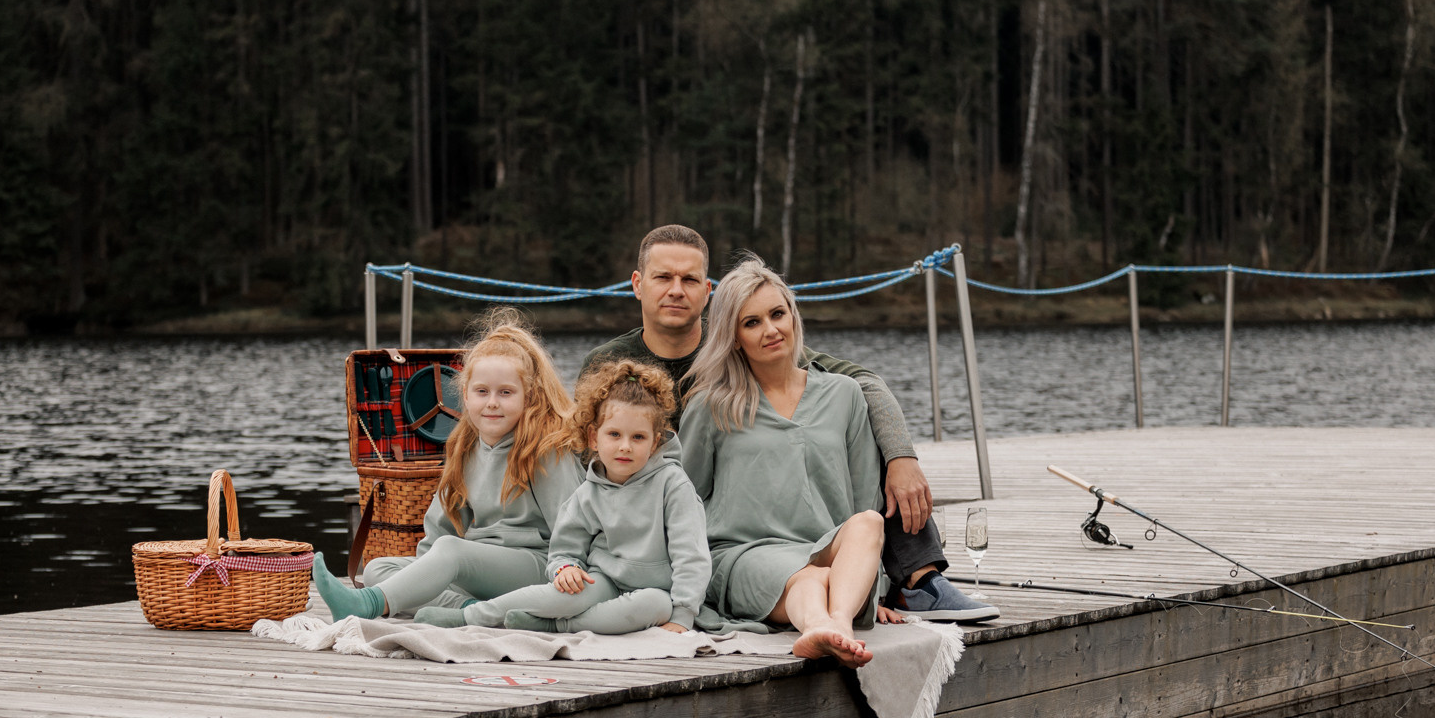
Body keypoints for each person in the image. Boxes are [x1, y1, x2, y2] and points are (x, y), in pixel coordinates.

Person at [583, 225, 993, 620]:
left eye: (689, 279)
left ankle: (917, 579)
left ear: (708, 292)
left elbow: (862, 381)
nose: (676, 290)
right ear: (638, 284)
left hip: (784, 497)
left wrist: (902, 454)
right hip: (673, 502)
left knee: (859, 424)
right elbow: (587, 450)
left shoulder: (748, 333)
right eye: (663, 278)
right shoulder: (610, 363)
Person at [676, 255, 888, 667]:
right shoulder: (712, 405)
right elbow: (683, 498)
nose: (771, 330)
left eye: (777, 314)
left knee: (869, 523)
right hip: (746, 554)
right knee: (809, 578)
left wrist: (874, 584)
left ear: (793, 315)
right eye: (752, 322)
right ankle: (826, 627)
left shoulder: (844, 394)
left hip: (829, 553)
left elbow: (865, 496)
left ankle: (836, 625)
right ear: (734, 338)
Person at [315, 311, 583, 620]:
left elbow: (573, 525)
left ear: (529, 396)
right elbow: (440, 529)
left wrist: (567, 569)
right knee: (379, 569)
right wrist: (425, 574)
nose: (492, 402)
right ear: (465, 397)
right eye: (482, 391)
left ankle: (367, 605)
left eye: (506, 392)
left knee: (451, 552)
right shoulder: (465, 448)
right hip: (476, 567)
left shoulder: (547, 449)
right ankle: (471, 610)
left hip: (539, 566)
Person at [419, 360, 710, 635]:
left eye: (638, 438)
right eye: (614, 434)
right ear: (594, 438)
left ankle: (554, 627)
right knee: (563, 594)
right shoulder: (589, 490)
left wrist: (683, 613)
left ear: (655, 442)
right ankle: (471, 616)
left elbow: (691, 555)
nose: (625, 446)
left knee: (655, 606)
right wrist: (566, 567)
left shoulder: (673, 485)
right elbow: (565, 546)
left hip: (656, 590)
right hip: (603, 579)